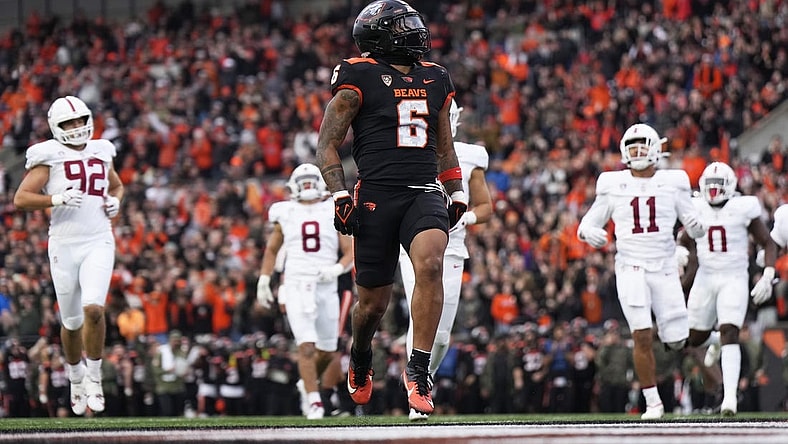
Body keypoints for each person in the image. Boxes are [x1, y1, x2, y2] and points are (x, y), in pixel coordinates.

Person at [315, 0, 466, 418]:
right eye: (403, 25)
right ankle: (361, 356)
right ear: (378, 33)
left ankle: (418, 371)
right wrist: (339, 194)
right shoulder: (358, 74)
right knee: (372, 306)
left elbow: (444, 143)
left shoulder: (435, 76)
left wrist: (455, 190)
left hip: (422, 189)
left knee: (432, 263)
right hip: (377, 194)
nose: (414, 31)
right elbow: (327, 142)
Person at [577, 123, 706, 419]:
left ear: (656, 149)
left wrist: (698, 227)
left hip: (663, 267)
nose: (637, 152)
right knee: (642, 335)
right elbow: (588, 222)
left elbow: (693, 223)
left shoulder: (673, 182)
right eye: (632, 146)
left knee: (675, 339)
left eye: (642, 146)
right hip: (630, 266)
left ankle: (710, 340)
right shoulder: (612, 183)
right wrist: (588, 233)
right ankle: (653, 402)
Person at [14, 95, 124, 416]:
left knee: (94, 310)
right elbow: (21, 198)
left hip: (98, 239)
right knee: (72, 321)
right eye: (69, 123)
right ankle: (75, 377)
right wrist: (57, 198)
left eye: (80, 121)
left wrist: (116, 200)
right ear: (56, 127)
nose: (77, 128)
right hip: (64, 243)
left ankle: (94, 376)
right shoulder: (49, 155)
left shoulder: (102, 150)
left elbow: (116, 186)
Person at [398, 98, 492, 420]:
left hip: (452, 247)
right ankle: (417, 389)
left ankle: (424, 376)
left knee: (441, 336)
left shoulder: (469, 155)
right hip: (414, 245)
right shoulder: (407, 147)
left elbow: (485, 206)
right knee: (420, 316)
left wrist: (469, 218)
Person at [676, 161, 776, 416]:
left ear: (730, 186)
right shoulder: (697, 206)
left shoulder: (742, 207)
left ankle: (729, 398)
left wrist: (768, 274)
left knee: (730, 330)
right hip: (706, 276)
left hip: (733, 276)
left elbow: (767, 242)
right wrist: (680, 251)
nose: (713, 191)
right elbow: (685, 238)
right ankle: (715, 341)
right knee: (691, 338)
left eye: (718, 186)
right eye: (709, 186)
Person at [256, 163, 354, 419]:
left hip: (326, 285)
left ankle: (306, 382)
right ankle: (314, 402)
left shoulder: (331, 208)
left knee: (328, 350)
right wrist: (264, 279)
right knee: (306, 346)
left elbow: (350, 251)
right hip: (298, 284)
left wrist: (336, 270)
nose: (308, 186)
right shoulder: (285, 212)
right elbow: (272, 250)